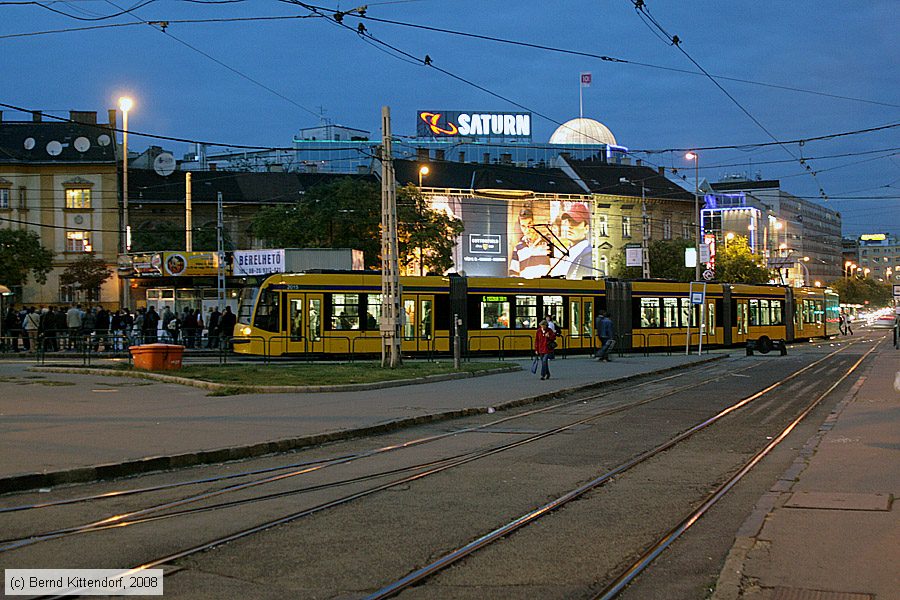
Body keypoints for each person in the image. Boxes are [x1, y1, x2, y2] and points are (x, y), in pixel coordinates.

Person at [551, 203, 593, 280]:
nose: (570, 226)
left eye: (575, 222)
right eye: (569, 221)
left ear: (586, 228)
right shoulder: (568, 252)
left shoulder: (588, 256)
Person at [508, 207, 551, 278]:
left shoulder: (548, 241)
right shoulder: (518, 248)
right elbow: (513, 274)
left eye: (529, 224)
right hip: (527, 288)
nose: (527, 229)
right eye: (523, 226)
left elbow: (557, 268)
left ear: (534, 222)